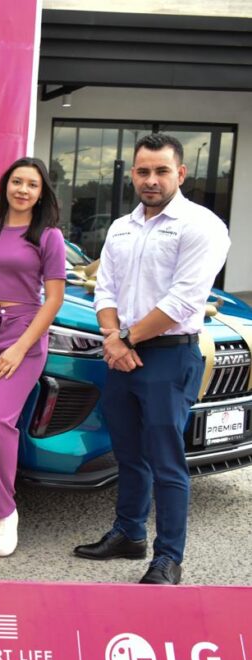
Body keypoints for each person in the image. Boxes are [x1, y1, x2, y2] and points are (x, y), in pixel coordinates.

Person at [74, 133, 229, 585]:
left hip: (168, 357)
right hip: (122, 354)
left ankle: (168, 558)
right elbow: (105, 289)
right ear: (132, 175)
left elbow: (183, 301)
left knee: (166, 461)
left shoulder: (201, 226)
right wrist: (113, 337)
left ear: (180, 173)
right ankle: (129, 534)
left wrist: (123, 339)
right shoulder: (121, 227)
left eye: (161, 171)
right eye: (143, 171)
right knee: (128, 454)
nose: (151, 180)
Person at [0, 157, 65, 557]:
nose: (23, 190)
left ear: (41, 193)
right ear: (6, 185)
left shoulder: (49, 236)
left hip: (23, 331)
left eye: (32, 185)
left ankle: (5, 513)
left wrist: (20, 346)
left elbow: (53, 299)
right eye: (17, 182)